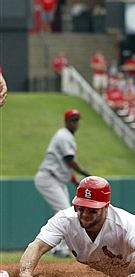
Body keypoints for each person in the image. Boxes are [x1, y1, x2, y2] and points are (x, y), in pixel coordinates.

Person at [10, 176, 135, 277]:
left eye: (91, 209)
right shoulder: (65, 219)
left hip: (133, 263)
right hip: (112, 266)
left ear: (106, 206)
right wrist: (26, 272)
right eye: (80, 207)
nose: (84, 213)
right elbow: (37, 246)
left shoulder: (124, 222)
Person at [34, 109, 91, 257]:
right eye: (73, 119)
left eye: (77, 119)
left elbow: (64, 165)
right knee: (64, 211)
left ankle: (58, 247)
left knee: (65, 212)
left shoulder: (67, 136)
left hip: (57, 178)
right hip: (48, 177)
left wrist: (75, 181)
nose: (75, 122)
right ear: (66, 121)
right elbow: (69, 160)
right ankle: (57, 248)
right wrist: (86, 174)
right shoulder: (64, 136)